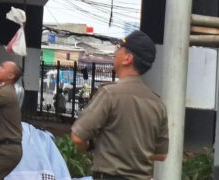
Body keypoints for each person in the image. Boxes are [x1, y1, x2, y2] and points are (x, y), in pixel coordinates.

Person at [71, 31, 168, 180]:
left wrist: (92, 146)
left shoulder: (110, 94)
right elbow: (161, 155)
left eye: (119, 48)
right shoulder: (157, 103)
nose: (115, 52)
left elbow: (78, 137)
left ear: (128, 58)